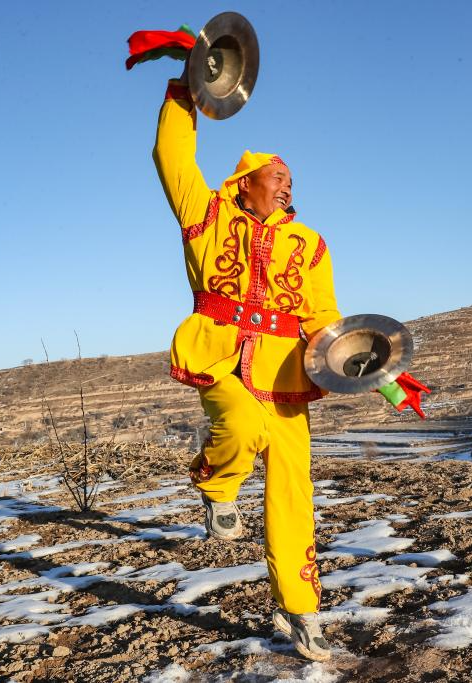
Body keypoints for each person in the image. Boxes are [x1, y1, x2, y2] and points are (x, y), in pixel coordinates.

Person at [153, 68, 341, 661]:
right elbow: (171, 154)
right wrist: (186, 91)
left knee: (294, 493)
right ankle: (216, 484)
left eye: (290, 178)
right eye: (275, 176)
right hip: (223, 357)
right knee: (241, 424)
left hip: (288, 372)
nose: (287, 185)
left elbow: (324, 316)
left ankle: (301, 609)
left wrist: (377, 374)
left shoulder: (310, 244)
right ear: (245, 183)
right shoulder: (205, 217)